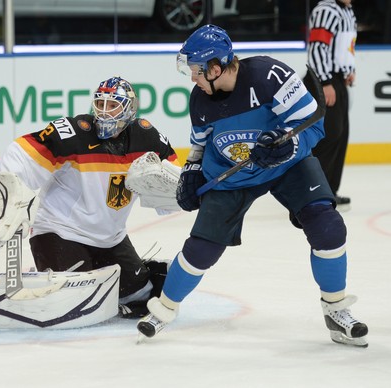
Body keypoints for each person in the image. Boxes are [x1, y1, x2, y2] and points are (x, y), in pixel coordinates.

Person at [136, 25, 369, 347]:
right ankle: (162, 311)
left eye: (196, 71)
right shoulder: (201, 100)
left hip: (289, 166)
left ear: (215, 68)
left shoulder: (269, 76)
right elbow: (200, 145)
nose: (192, 79)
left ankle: (335, 310)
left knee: (328, 227)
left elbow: (313, 123)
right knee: (202, 247)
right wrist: (192, 171)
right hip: (232, 176)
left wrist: (288, 145)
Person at [0, 76, 179, 318]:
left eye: (113, 106)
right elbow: (20, 152)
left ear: (130, 109)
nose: (104, 112)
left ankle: (140, 273)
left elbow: (176, 177)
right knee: (72, 303)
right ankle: (43, 279)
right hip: (59, 232)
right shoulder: (74, 133)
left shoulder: (147, 137)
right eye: (100, 104)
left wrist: (179, 192)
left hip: (110, 238)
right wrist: (11, 198)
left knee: (140, 298)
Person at [304, 0, 357, 207]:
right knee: (329, 134)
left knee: (340, 135)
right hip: (323, 80)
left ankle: (329, 191)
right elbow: (317, 47)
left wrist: (349, 70)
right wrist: (324, 82)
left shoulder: (348, 11)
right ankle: (315, 192)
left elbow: (346, 47)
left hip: (337, 80)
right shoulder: (326, 9)